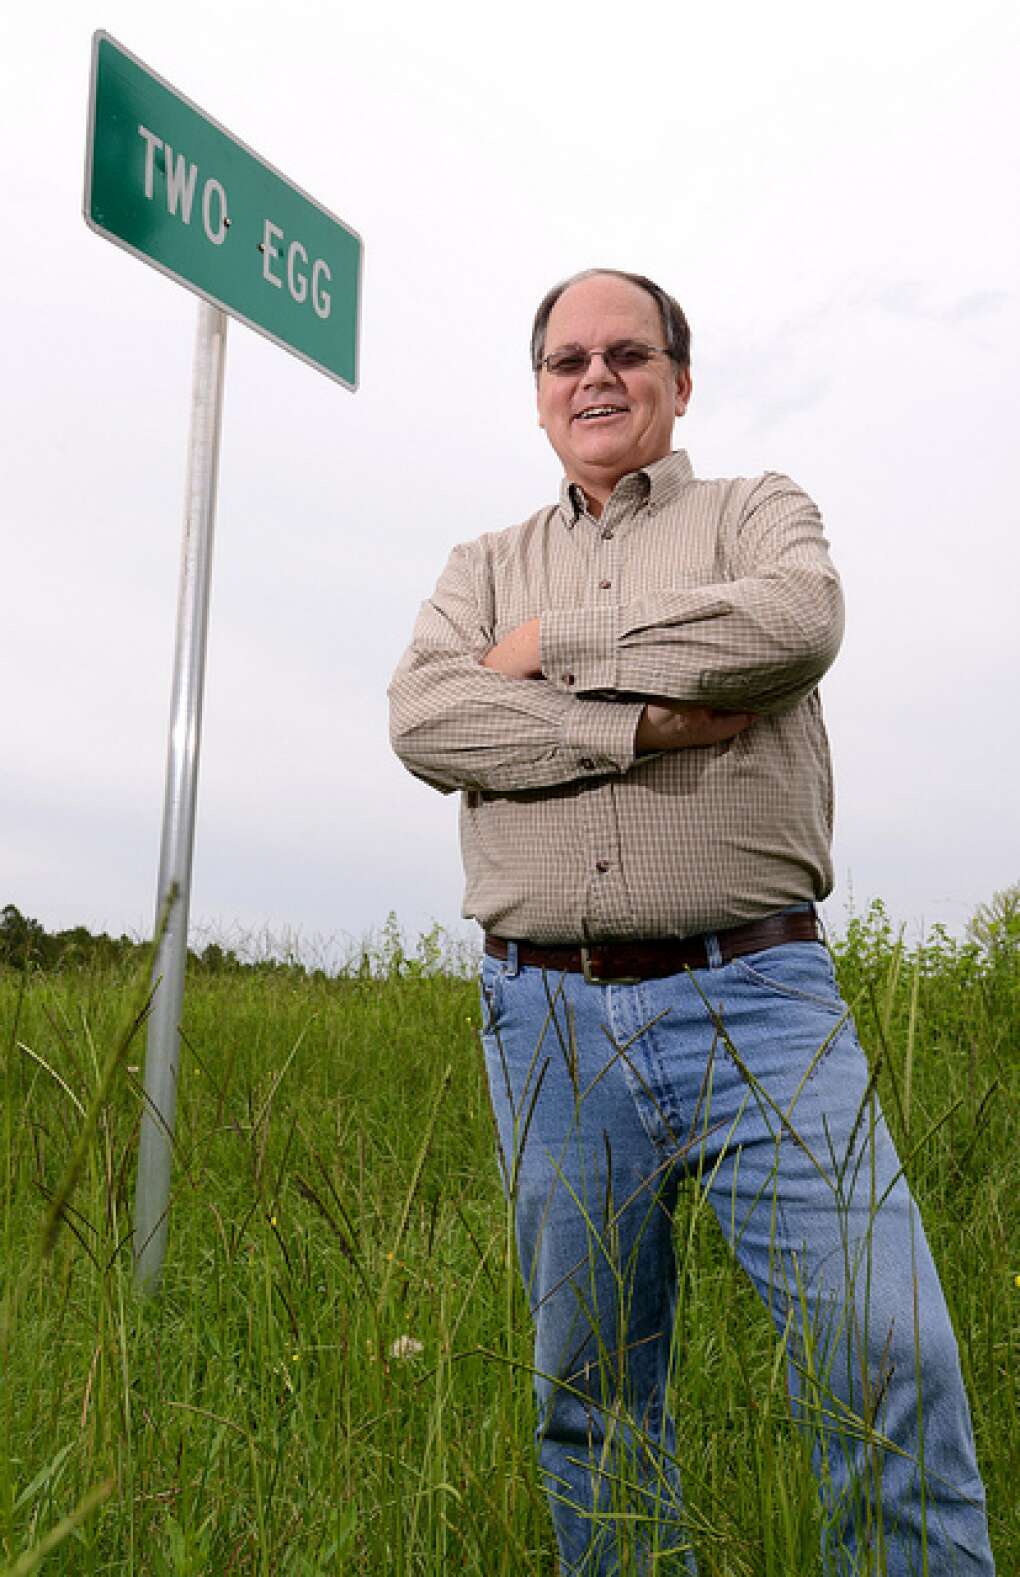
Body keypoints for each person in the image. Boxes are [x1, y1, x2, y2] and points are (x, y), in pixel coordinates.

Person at [388, 269, 994, 1574]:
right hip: (544, 1019)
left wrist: (547, 649)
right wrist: (639, 720)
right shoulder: (481, 566)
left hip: (758, 999)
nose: (596, 377)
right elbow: (428, 719)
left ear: (679, 378)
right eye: (568, 361)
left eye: (627, 353)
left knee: (888, 1352)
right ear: (541, 394)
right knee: (593, 1398)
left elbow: (789, 622)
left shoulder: (754, 513)